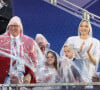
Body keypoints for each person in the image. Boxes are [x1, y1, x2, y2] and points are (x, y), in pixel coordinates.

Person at [0, 16, 37, 88]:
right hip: (5, 77)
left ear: (20, 28)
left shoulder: (29, 41)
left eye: (16, 26)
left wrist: (30, 75)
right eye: (12, 26)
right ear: (8, 27)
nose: (13, 28)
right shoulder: (1, 40)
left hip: (23, 77)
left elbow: (34, 61)